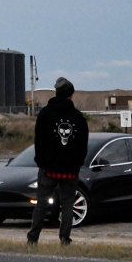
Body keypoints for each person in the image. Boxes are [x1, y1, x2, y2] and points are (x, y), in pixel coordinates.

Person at [27, 77, 89, 246]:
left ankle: (33, 238)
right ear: (71, 95)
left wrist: (41, 162)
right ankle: (65, 239)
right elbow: (83, 142)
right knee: (68, 204)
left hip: (48, 168)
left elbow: (38, 141)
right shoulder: (77, 117)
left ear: (57, 93)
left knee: (41, 204)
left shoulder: (45, 114)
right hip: (70, 169)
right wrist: (78, 162)